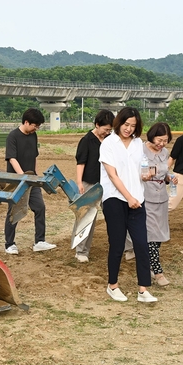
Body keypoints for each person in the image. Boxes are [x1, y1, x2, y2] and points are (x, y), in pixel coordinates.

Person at [100, 107, 157, 303]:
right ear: (119, 123)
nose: (129, 129)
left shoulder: (137, 143)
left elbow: (139, 169)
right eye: (126, 125)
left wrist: (146, 175)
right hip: (115, 199)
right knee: (117, 244)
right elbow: (112, 175)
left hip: (137, 199)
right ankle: (112, 285)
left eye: (133, 126)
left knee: (141, 243)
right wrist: (129, 197)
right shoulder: (108, 143)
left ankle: (143, 289)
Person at [4, 108, 56, 254]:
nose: (36, 128)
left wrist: (34, 174)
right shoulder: (13, 136)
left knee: (40, 207)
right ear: (26, 122)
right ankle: (9, 244)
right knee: (14, 211)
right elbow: (12, 158)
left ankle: (39, 241)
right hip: (16, 180)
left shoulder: (33, 136)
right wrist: (22, 176)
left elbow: (34, 157)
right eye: (35, 125)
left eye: (38, 126)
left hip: (32, 179)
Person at [73, 109, 115, 263]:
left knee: (114, 215)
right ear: (97, 125)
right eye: (105, 129)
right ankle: (81, 251)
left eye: (110, 130)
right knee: (87, 217)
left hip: (108, 183)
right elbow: (81, 162)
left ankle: (122, 247)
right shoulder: (87, 140)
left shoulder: (110, 140)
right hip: (90, 184)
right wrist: (79, 182)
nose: (107, 132)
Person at [143, 122, 176, 286]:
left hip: (161, 196)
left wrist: (170, 178)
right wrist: (149, 174)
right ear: (152, 135)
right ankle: (158, 271)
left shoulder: (165, 152)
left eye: (165, 141)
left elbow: (164, 173)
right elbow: (138, 172)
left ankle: (148, 263)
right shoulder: (140, 150)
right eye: (159, 140)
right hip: (146, 195)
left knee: (160, 234)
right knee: (151, 234)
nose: (161, 144)